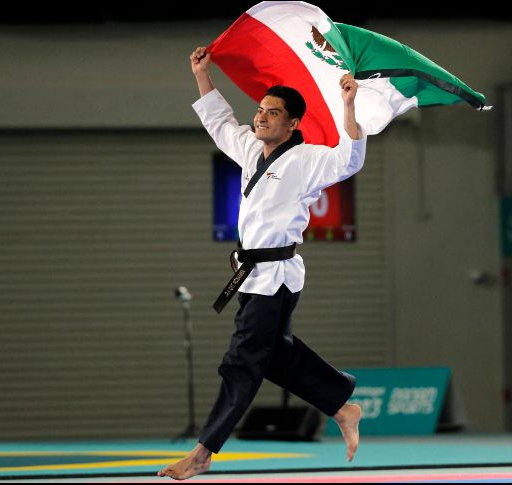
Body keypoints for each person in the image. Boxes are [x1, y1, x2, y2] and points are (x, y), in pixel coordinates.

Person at [156, 46, 364, 480]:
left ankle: (203, 451)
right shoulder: (252, 151)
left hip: (277, 276)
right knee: (273, 357)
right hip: (253, 276)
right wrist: (202, 74)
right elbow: (218, 122)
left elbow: (349, 159)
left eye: (273, 112)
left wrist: (348, 106)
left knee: (242, 360)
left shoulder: (306, 161)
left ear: (293, 124)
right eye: (261, 109)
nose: (262, 117)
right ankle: (341, 402)